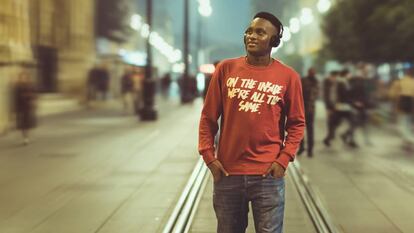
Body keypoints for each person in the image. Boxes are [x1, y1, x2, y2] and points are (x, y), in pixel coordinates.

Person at [198, 12, 305, 233]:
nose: (251, 36)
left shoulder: (288, 76)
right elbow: (208, 118)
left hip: (268, 176)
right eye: (249, 31)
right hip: (228, 173)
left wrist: (283, 160)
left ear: (274, 41)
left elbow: (296, 123)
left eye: (260, 32)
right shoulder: (226, 69)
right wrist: (209, 156)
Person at [389, 67, 414, 151]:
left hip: (401, 104)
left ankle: (409, 139)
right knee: (408, 123)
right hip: (411, 105)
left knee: (402, 124)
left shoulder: (399, 82)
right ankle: (407, 141)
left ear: (406, 73)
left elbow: (392, 94)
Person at [298, 68, 319, 157]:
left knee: (310, 130)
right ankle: (302, 147)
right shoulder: (304, 80)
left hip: (310, 109)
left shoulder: (316, 82)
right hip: (304, 108)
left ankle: (309, 150)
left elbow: (316, 94)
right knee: (302, 129)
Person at [14, 71, 37, 145]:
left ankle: (26, 138)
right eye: (22, 77)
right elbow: (16, 98)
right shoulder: (18, 86)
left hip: (28, 107)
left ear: (27, 78)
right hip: (21, 107)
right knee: (23, 124)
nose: (23, 78)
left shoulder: (30, 86)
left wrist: (33, 102)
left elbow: (34, 95)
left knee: (27, 123)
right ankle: (25, 138)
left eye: (25, 77)